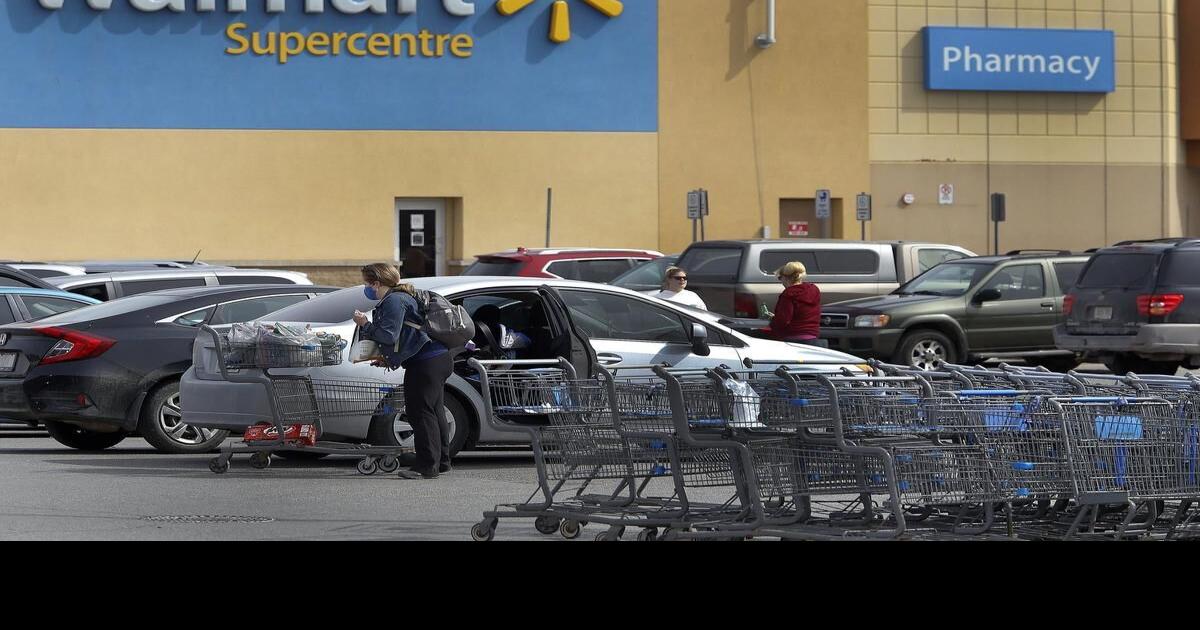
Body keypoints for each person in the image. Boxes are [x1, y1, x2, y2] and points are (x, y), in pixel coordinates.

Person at [352, 263, 451, 480]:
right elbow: (405, 337)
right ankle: (441, 461)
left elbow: (388, 335)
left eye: (367, 283)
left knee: (420, 413)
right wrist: (388, 359)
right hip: (435, 359)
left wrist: (365, 324)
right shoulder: (404, 296)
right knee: (433, 412)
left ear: (376, 283)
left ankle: (426, 467)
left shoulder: (394, 300)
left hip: (426, 362)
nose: (366, 288)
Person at [766, 261, 822, 345]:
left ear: (786, 278)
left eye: (780, 278)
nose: (781, 282)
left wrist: (773, 321)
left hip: (793, 338)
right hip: (812, 337)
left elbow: (783, 320)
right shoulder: (814, 290)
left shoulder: (788, 294)